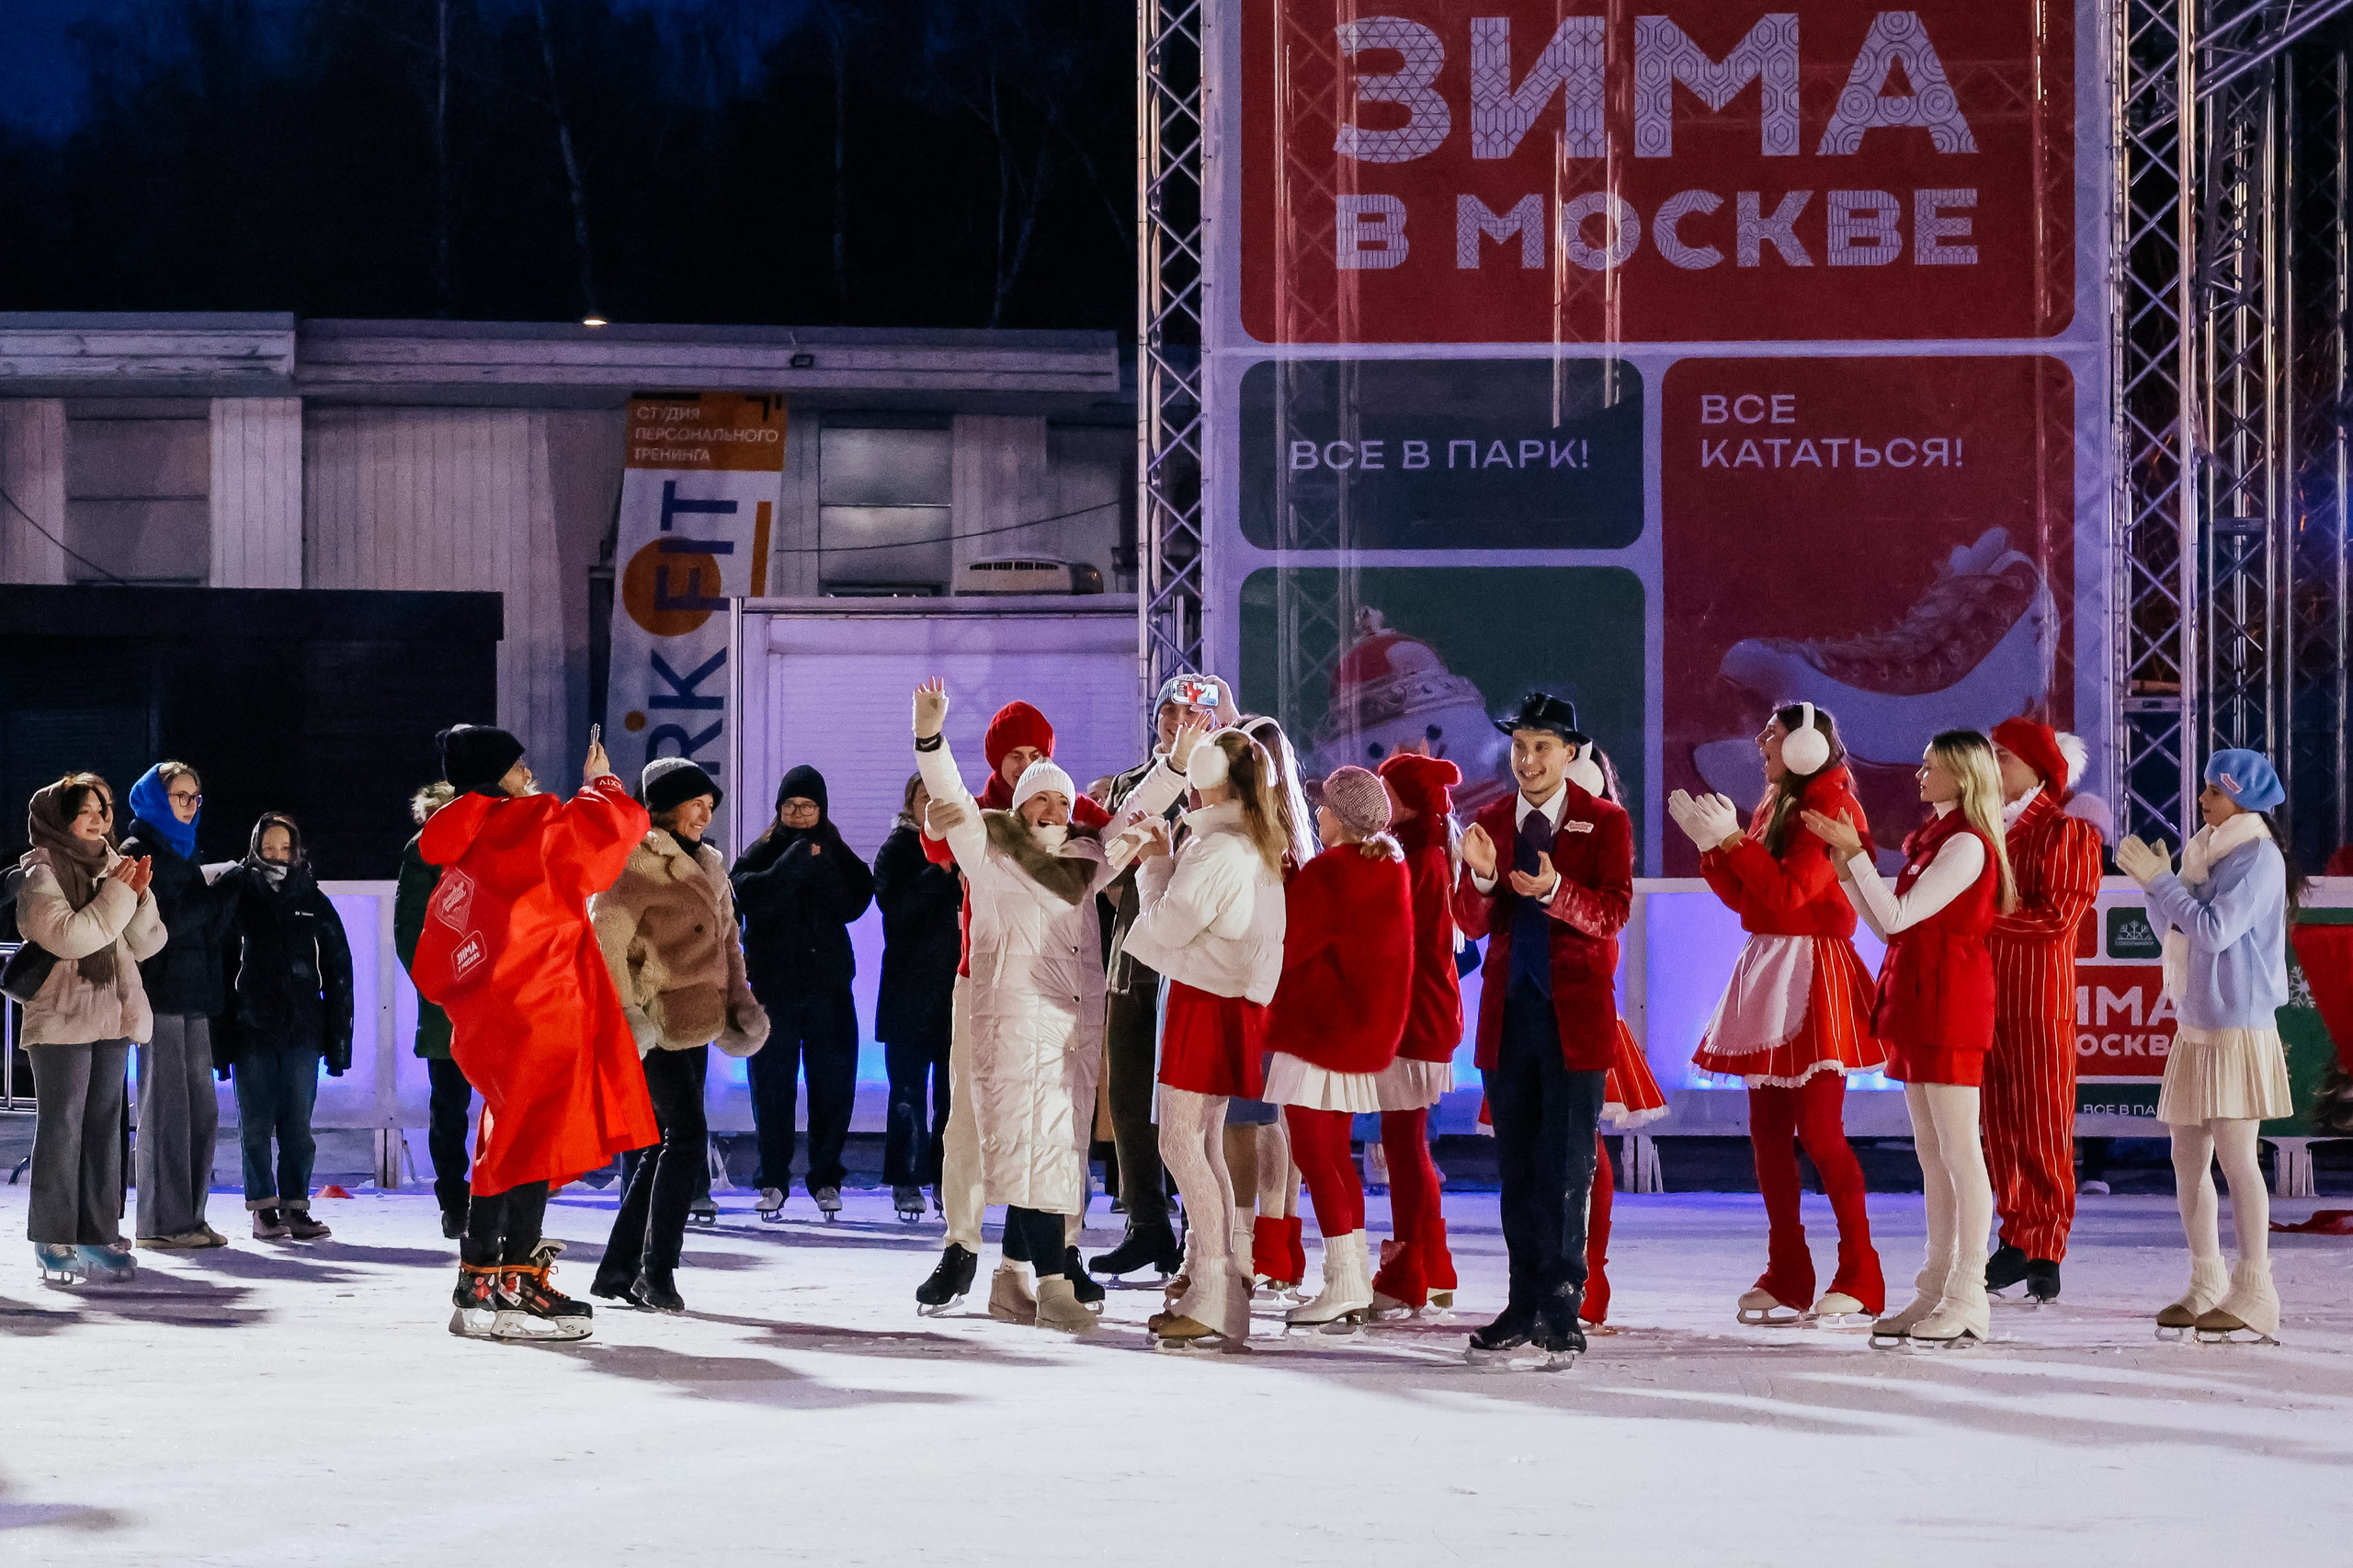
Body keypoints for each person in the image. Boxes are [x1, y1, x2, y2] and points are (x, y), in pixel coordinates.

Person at [413, 723, 656, 1342]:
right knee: (529, 1142)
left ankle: (480, 1282)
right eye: (520, 767)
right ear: (497, 774)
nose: (529, 776)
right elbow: (606, 837)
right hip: (543, 1006)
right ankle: (519, 1284)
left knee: (506, 1140)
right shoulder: (525, 826)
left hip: (494, 1017)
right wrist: (601, 781)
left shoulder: (459, 839)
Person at [910, 678, 1122, 1333]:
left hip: (1058, 994)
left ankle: (1046, 1255)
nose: (1028, 768)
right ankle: (962, 1245)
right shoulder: (984, 815)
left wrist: (1171, 772)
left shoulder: (1066, 806)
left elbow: (1115, 830)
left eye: (1037, 754)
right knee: (972, 1121)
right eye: (1014, 757)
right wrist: (930, 806)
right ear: (996, 763)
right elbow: (946, 832)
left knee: (1055, 1126)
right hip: (987, 984)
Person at [1669, 702, 1888, 1326]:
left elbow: (1791, 893)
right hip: (1769, 962)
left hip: (1814, 971)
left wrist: (1733, 841)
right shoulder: (1775, 801)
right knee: (1766, 1135)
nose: (1761, 739)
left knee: (1819, 1132)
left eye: (1774, 730)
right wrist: (1715, 850)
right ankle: (1787, 1269)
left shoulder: (1831, 805)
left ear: (1807, 745)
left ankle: (1860, 1271)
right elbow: (1751, 900)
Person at [1805, 729, 2012, 1347]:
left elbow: (1897, 916)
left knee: (1958, 1151)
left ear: (1963, 775)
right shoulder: (1934, 839)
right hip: (1920, 1001)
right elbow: (1889, 924)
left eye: (1931, 767)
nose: (1919, 774)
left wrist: (1856, 854)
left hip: (1950, 1004)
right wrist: (1848, 865)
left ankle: (1967, 1293)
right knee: (1933, 1153)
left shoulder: (1968, 845)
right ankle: (1933, 1288)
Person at [1452, 693, 1632, 1365]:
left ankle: (1563, 1305)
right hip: (1510, 1015)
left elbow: (1612, 914)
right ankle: (1520, 1301)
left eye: (1542, 747)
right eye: (1520, 747)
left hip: (1574, 1012)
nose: (1527, 760)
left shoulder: (1603, 822)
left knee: (1567, 1167)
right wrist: (1479, 875)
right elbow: (1470, 922)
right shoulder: (1492, 819)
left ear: (1570, 753)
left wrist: (1557, 892)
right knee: (1517, 1166)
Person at [2117, 749, 2300, 1344]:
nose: (2201, 801)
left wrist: (2162, 883)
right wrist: (2156, 888)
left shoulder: (2258, 858)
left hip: (2236, 1026)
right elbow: (2174, 926)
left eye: (2212, 793)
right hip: (2197, 1024)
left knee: (2237, 1157)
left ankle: (2256, 1291)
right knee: (2187, 1157)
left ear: (2242, 797)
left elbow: (2215, 930)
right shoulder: (2208, 851)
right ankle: (2205, 1279)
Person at [1125, 726, 1289, 1349]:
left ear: (1210, 781)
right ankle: (1209, 1276)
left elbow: (1166, 926)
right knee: (1204, 1144)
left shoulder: (1219, 848)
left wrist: (1151, 865)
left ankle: (1214, 1289)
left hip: (1205, 1002)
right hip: (1226, 1003)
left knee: (1180, 1144)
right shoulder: (1247, 840)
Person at [589, 758, 768, 1313]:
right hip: (653, 1023)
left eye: (709, 806)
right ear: (666, 806)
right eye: (696, 803)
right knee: (686, 1137)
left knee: (661, 1145)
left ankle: (619, 1269)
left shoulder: (709, 864)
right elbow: (603, 940)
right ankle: (656, 1270)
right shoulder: (632, 861)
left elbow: (728, 942)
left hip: (697, 1018)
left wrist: (741, 1000)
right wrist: (627, 1015)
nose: (705, 814)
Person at [1089, 676, 1235, 1284]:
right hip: (1134, 956)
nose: (1178, 722)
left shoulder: (1230, 780)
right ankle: (1145, 1222)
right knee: (1127, 1098)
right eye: (1168, 712)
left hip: (1201, 966)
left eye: (1190, 712)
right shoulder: (1128, 785)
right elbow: (1108, 865)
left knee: (1196, 1112)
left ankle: (1210, 1241)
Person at [1260, 766, 1412, 1330]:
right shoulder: (1386, 865)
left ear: (1341, 819)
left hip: (1318, 1030)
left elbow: (1290, 945)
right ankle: (1349, 1277)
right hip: (1359, 1031)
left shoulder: (1331, 872)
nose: (1316, 813)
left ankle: (1344, 1282)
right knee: (1335, 1157)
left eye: (1324, 806)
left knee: (1314, 1155)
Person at [13, 775, 163, 1284]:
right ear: (60, 818)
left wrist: (139, 900)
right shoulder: (41, 871)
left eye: (103, 808)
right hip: (61, 1016)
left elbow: (146, 944)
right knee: (62, 1127)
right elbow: (70, 937)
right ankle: (52, 1236)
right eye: (85, 810)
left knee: (104, 1127)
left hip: (112, 1012)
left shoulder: (112, 866)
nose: (98, 819)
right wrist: (121, 894)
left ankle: (97, 1233)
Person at [1983, 718, 2105, 1303]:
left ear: (2039, 770)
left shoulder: (2065, 833)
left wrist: (1973, 921)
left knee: (2040, 1121)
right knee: (1997, 1123)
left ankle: (2046, 1243)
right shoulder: (1980, 831)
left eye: (2003, 756)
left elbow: (2057, 919)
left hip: (2036, 998)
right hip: (1981, 996)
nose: (1992, 764)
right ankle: (2015, 1232)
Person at [733, 765, 873, 1222]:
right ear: (779, 809)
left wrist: (821, 868)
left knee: (832, 1085)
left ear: (821, 809)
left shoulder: (834, 849)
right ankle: (773, 1178)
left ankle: (826, 1177)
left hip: (829, 988)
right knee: (771, 1087)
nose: (798, 813)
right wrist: (788, 869)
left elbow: (857, 900)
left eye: (807, 805)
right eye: (790, 805)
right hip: (774, 989)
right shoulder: (762, 851)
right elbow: (740, 894)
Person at [215, 812, 354, 1242]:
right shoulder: (238, 892)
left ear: (297, 851)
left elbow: (338, 968)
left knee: (298, 1124)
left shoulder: (310, 896)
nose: (277, 855)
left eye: (285, 847)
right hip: (251, 1028)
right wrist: (220, 1040)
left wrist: (338, 1041)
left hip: (301, 1029)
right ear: (257, 848)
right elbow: (220, 965)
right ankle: (263, 1210)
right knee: (254, 1124)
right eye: (269, 847)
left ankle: (296, 1206)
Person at [119, 761, 232, 1250]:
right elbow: (164, 927)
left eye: (194, 797)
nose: (189, 805)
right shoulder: (139, 851)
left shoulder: (183, 852)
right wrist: (218, 894)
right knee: (166, 1110)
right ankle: (160, 1222)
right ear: (157, 800)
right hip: (160, 993)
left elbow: (200, 927)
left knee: (200, 1111)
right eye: (180, 796)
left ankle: (189, 1214)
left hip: (193, 993)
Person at [1369, 750, 1466, 1316]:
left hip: (1414, 1017)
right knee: (1406, 1145)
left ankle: (1413, 1270)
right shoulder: (1421, 851)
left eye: (1387, 790)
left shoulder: (1419, 859)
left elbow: (1411, 948)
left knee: (1404, 1147)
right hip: (1421, 1014)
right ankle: (1434, 1263)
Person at [1231, 712, 1315, 1292]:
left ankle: (1257, 1247)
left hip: (1258, 990)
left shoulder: (1268, 839)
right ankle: (1277, 1246)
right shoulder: (1290, 836)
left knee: (1251, 1119)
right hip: (1276, 989)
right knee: (1271, 1119)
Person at [873, 773, 963, 1221]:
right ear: (911, 804)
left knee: (953, 1095)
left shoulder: (968, 845)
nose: (932, 803)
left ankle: (949, 1180)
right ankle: (906, 1181)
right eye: (923, 796)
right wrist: (938, 873)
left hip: (957, 992)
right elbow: (894, 908)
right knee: (907, 1093)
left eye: (938, 795)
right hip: (908, 993)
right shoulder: (897, 848)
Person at [394, 781, 474, 1239]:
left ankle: (494, 1193)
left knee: (499, 1105)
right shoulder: (422, 852)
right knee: (449, 1106)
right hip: (449, 1000)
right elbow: (410, 929)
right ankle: (453, 1197)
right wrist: (440, 984)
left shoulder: (487, 843)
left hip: (492, 997)